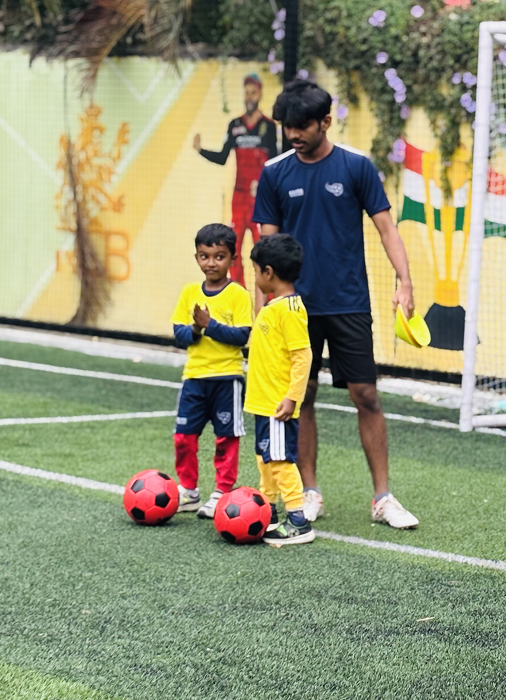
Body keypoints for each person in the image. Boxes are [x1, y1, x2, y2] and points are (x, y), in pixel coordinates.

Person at [252, 78, 418, 529]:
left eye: (302, 126)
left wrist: (405, 282)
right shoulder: (275, 173)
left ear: (326, 121)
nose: (293, 134)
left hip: (348, 302)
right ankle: (309, 492)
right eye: (287, 127)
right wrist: (261, 311)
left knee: (366, 395)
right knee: (300, 397)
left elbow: (387, 229)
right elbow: (266, 252)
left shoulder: (356, 166)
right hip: (293, 310)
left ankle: (382, 497)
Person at [170, 224, 253, 518]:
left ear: (232, 259)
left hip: (227, 379)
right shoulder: (189, 293)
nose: (211, 263)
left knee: (226, 438)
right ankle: (189, 491)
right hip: (194, 378)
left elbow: (242, 336)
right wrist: (195, 329)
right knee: (183, 437)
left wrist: (209, 325)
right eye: (205, 256)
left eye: (219, 256)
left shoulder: (238, 294)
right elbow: (179, 335)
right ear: (197, 257)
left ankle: (222, 491)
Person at [244, 234, 315, 546]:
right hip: (263, 403)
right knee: (265, 459)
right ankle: (267, 511)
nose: (256, 278)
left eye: (256, 271)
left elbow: (303, 356)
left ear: (268, 272)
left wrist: (291, 398)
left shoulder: (290, 309)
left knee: (281, 461)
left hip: (277, 405)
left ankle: (298, 521)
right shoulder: (274, 306)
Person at [194, 74, 277, 288]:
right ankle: (239, 294)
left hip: (260, 198)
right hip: (239, 197)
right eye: (246, 92)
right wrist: (201, 150)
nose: (249, 97)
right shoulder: (235, 125)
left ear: (260, 94)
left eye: (253, 92)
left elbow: (275, 163)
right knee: (234, 248)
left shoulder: (268, 126)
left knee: (263, 250)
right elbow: (223, 157)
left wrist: (266, 187)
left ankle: (267, 298)